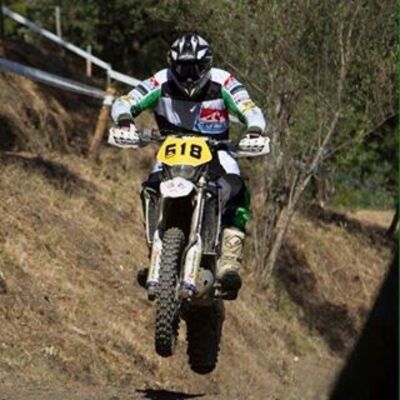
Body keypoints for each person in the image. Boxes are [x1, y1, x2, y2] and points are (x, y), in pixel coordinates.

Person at [109, 33, 269, 298]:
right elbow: (125, 101)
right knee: (150, 189)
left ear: (206, 66)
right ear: (173, 65)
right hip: (171, 152)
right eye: (183, 68)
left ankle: (229, 261)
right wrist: (125, 120)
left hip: (216, 151)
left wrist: (254, 129)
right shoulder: (160, 81)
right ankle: (156, 254)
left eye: (195, 68)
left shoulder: (223, 81)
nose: (189, 76)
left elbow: (250, 108)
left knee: (235, 188)